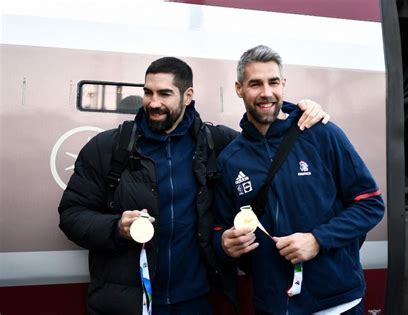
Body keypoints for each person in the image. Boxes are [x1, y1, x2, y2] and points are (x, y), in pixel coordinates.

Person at [58, 56, 330, 315]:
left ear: (188, 96)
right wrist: (116, 227)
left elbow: (270, 149)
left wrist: (305, 112)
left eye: (164, 94)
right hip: (126, 304)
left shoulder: (219, 143)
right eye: (148, 93)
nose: (153, 103)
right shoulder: (107, 148)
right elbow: (71, 215)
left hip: (196, 301)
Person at [213, 45, 385, 315]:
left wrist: (318, 239)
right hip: (274, 306)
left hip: (338, 303)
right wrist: (224, 243)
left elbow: (371, 204)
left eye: (273, 82)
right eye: (255, 83)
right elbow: (219, 227)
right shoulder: (230, 159)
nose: (266, 93)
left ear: (283, 84)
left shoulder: (321, 134)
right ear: (239, 88)